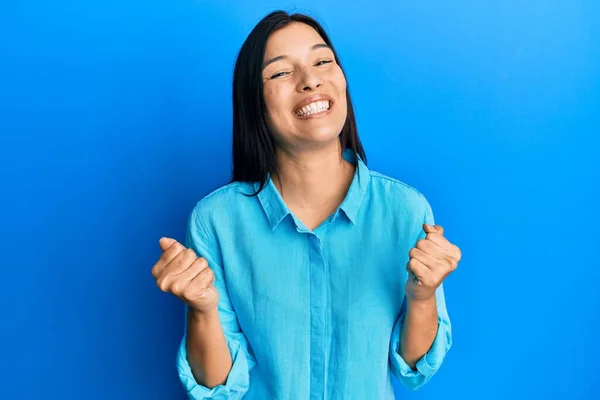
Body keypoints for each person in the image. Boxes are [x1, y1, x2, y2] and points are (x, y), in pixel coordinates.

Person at [151, 10, 461, 400]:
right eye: (281, 72)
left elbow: (414, 370)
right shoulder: (216, 221)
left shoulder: (405, 210)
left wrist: (422, 296)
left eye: (322, 61)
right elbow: (217, 389)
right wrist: (201, 309)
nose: (310, 80)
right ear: (254, 103)